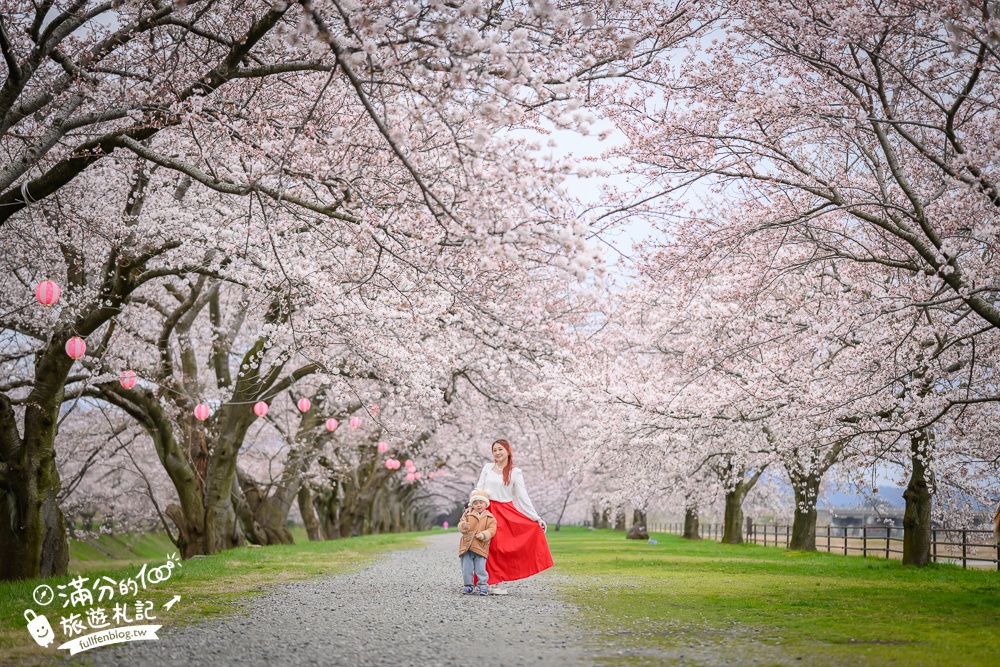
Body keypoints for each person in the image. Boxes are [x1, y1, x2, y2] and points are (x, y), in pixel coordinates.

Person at [475, 439, 553, 595]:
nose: (497, 453)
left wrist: (535, 518)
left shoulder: (515, 472)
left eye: (500, 449)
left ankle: (496, 582)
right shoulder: (487, 468)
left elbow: (523, 497)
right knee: (484, 545)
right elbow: (479, 488)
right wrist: (474, 505)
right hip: (486, 509)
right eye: (494, 450)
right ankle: (486, 581)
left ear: (508, 451)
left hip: (505, 511)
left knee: (499, 546)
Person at [457, 489, 497, 595]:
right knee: (467, 568)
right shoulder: (468, 514)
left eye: (481, 502)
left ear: (486, 504)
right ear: (472, 505)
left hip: (481, 546)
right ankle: (468, 585)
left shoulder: (490, 517)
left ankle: (483, 585)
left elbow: (492, 529)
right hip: (467, 546)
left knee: (480, 568)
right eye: (475, 503)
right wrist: (464, 527)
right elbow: (461, 524)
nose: (478, 505)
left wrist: (484, 534)